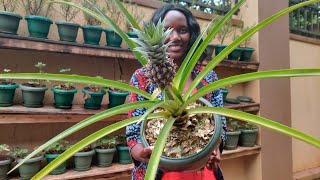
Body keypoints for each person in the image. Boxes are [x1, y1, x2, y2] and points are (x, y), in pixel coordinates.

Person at [126, 3, 226, 180]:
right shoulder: (142, 77)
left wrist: (216, 149)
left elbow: (220, 122)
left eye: (182, 30)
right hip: (159, 172)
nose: (175, 37)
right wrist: (143, 153)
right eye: (166, 30)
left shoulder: (207, 76)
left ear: (192, 34)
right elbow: (133, 133)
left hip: (202, 171)